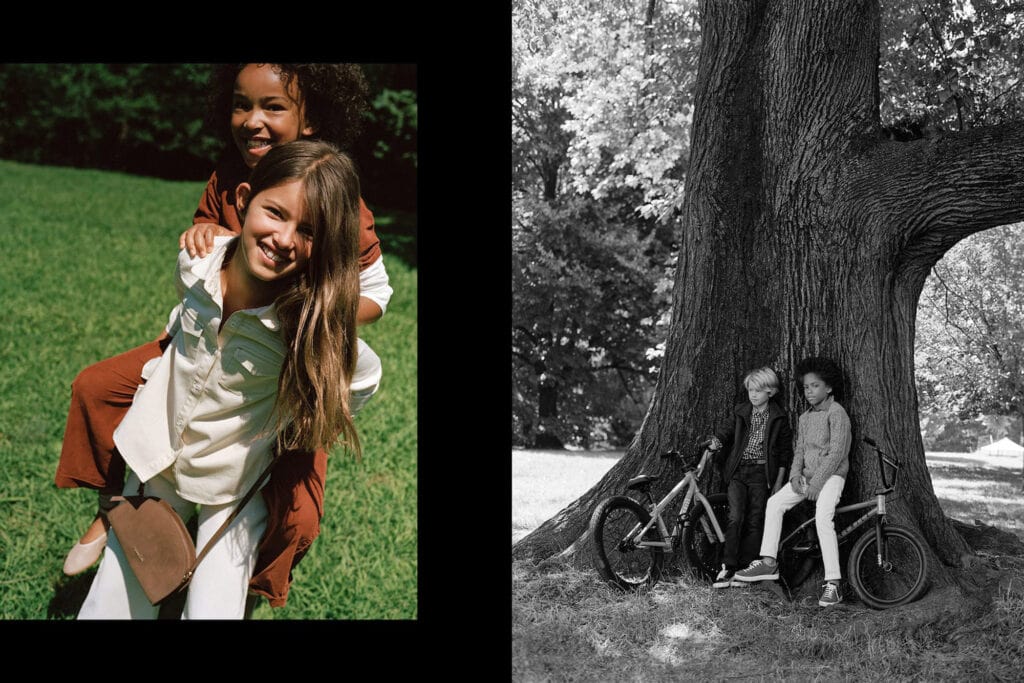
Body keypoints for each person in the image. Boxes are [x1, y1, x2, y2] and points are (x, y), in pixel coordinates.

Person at [56, 63, 392, 608]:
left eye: (274, 107)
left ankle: (244, 575)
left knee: (298, 511)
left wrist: (316, 310)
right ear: (246, 198)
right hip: (206, 338)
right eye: (242, 105)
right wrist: (205, 233)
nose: (253, 120)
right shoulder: (227, 178)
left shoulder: (338, 197)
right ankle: (113, 511)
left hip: (286, 356)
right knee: (100, 389)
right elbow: (202, 254)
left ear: (312, 118)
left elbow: (375, 295)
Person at [732, 356, 852, 608]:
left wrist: (818, 483)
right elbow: (798, 451)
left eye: (815, 386)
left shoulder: (836, 412)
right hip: (806, 477)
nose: (809, 392)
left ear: (828, 387)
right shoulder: (805, 417)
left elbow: (837, 452)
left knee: (823, 516)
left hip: (831, 477)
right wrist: (795, 476)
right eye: (806, 387)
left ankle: (833, 584)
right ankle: (768, 562)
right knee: (775, 503)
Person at [706, 367, 793, 589]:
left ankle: (746, 569)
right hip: (738, 472)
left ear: (770, 392)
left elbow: (784, 454)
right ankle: (728, 567)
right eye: (750, 390)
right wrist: (716, 442)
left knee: (755, 520)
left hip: (760, 474)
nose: (753, 395)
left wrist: (778, 482)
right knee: (735, 517)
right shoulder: (741, 412)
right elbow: (726, 432)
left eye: (758, 391)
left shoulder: (778, 417)